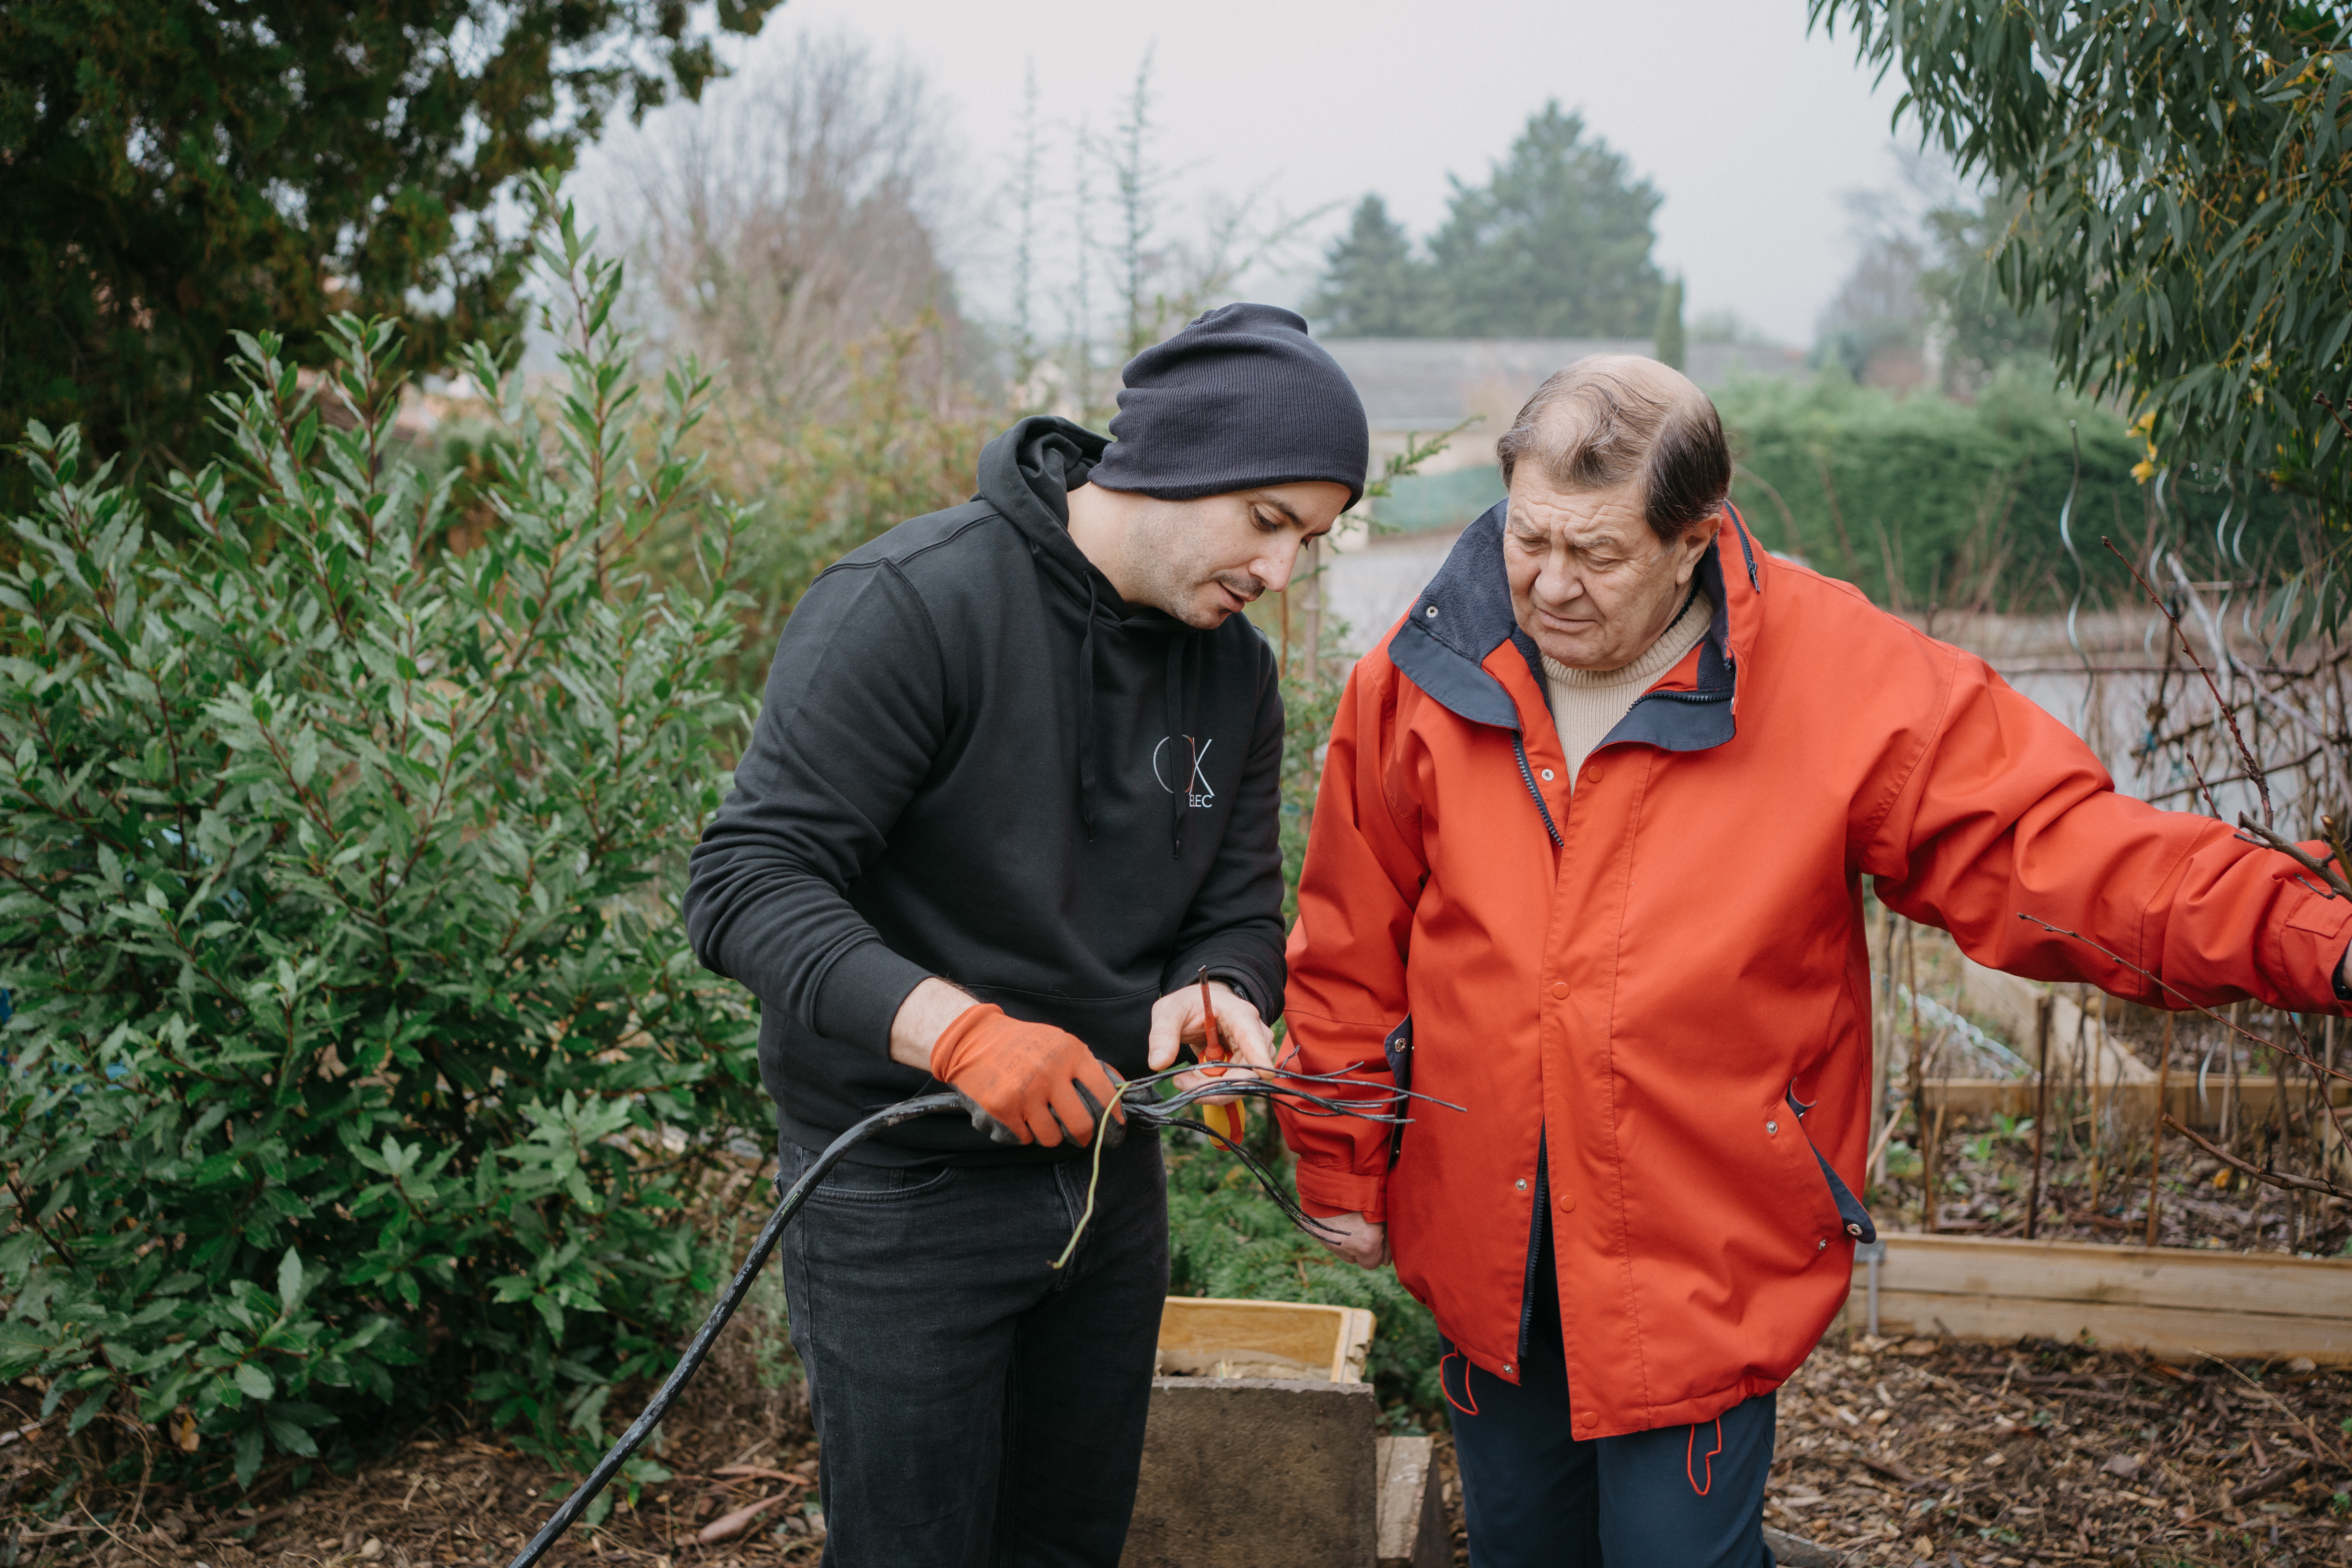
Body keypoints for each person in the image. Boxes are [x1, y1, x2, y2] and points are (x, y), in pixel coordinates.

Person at [1275, 355, 2352, 1567]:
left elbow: (2062, 854)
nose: (1551, 585)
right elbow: (1349, 938)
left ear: (1694, 539)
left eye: (1599, 554)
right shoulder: (1423, 672)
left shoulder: (1840, 678)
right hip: (1487, 1247)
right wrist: (1339, 1156)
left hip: (1698, 1252)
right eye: (1529, 538)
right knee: (1522, 1550)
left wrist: (2322, 937)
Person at [683, 303, 1368, 1566]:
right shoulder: (913, 605)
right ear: (1176, 459)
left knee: (1068, 1544)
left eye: (1310, 542)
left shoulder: (1234, 675)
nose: (1280, 573)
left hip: (1110, 1182)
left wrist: (1218, 986)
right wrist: (960, 1035)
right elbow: (746, 882)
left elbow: (1233, 909)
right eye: (1268, 521)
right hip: (900, 1194)